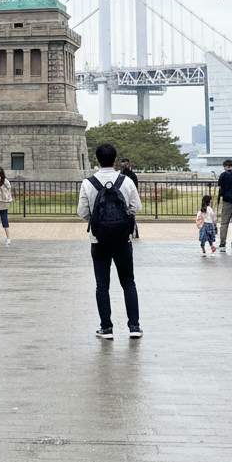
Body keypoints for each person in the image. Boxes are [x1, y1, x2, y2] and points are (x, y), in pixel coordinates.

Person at [77, 142, 143, 340]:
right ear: (115, 160)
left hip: (99, 240)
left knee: (102, 285)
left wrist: (98, 222)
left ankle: (106, 327)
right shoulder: (126, 181)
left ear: (97, 160)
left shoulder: (88, 183)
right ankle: (134, 326)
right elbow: (136, 207)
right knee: (128, 283)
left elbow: (82, 212)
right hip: (123, 240)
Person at [119, 158, 140, 239]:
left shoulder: (120, 176)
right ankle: (133, 234)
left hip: (120, 201)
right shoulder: (132, 176)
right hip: (129, 201)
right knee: (131, 218)